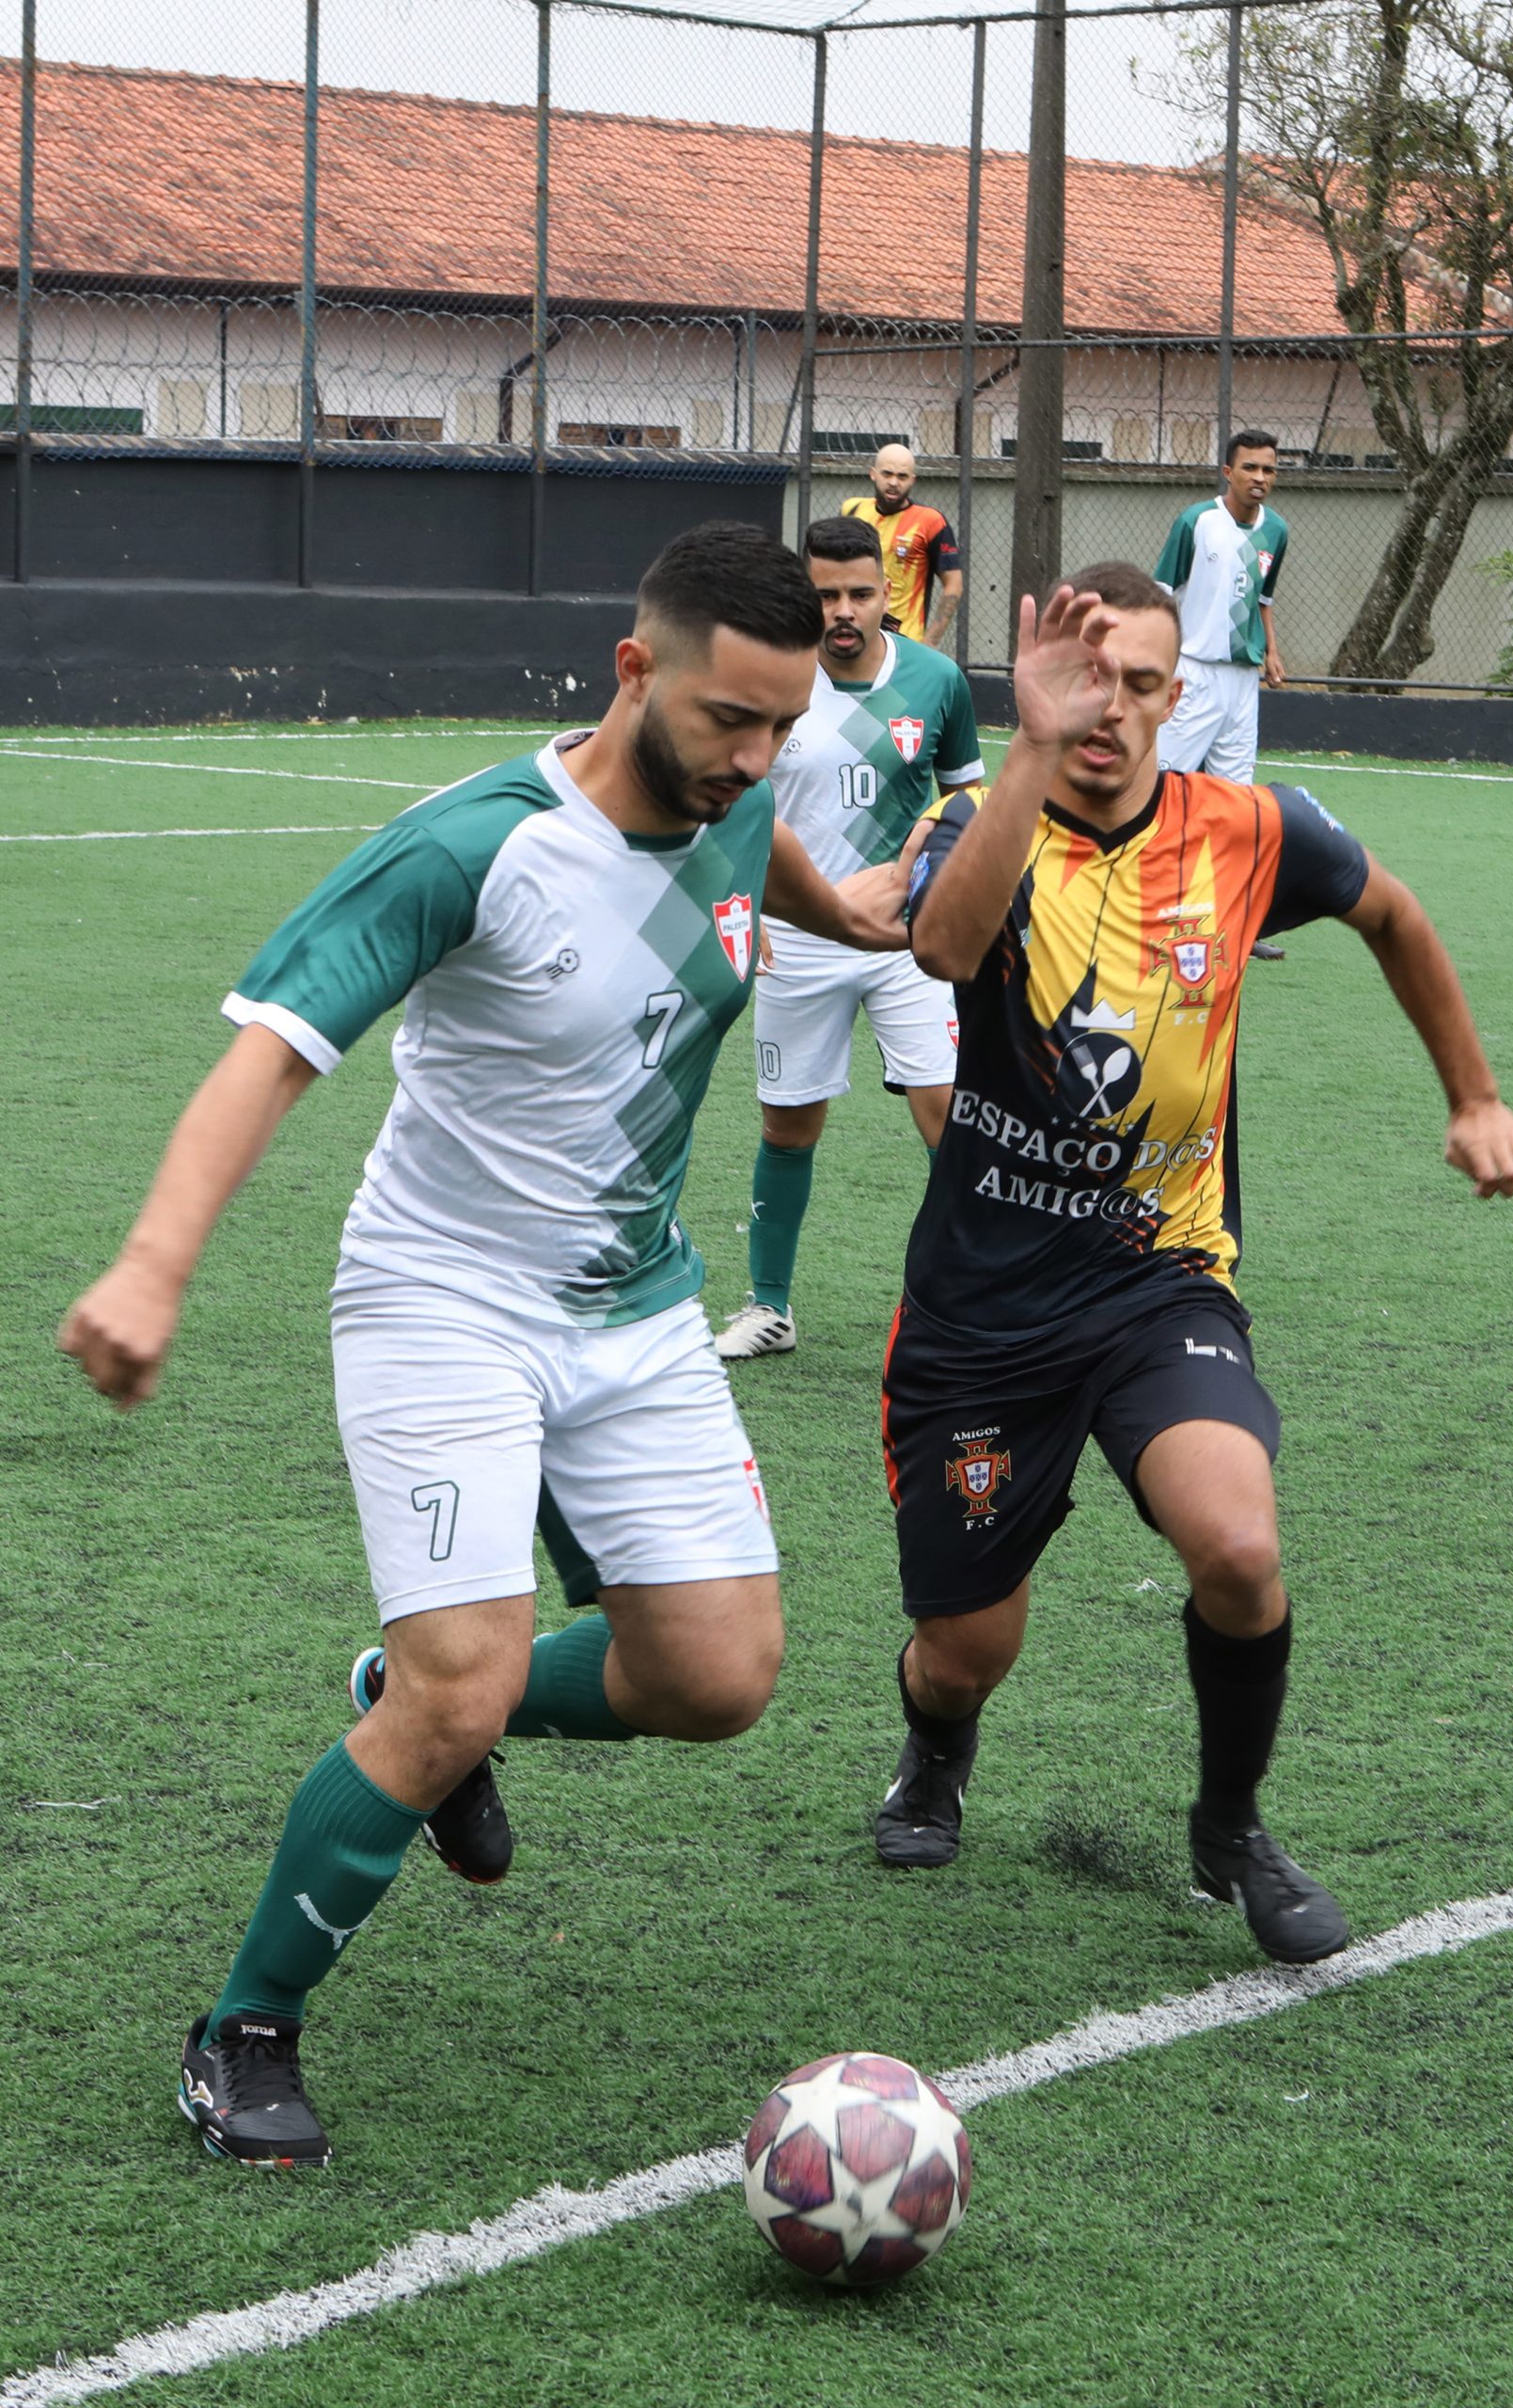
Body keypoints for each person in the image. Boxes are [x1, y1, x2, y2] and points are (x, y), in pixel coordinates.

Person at [58, 520, 910, 2168]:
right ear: (633, 669)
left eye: (781, 729)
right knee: (462, 1683)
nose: (754, 759)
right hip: (441, 1296)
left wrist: (856, 918)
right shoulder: (475, 847)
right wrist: (154, 1269)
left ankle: (429, 1702)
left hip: (637, 1304)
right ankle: (246, 2029)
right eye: (728, 721)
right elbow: (272, 1052)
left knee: (717, 1678)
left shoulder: (745, 809)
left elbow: (755, 871)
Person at [872, 561, 1513, 1967]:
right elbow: (940, 947)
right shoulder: (974, 821)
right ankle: (937, 1748)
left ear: (1179, 697)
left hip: (1157, 1278)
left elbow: (1397, 917)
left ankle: (1229, 1825)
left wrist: (1473, 1096)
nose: (1107, 705)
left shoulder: (1251, 830)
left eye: (1137, 682)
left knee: (1239, 1547)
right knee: (963, 1649)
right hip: (982, 1314)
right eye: (1082, 674)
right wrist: (1029, 749)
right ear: (1039, 678)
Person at [715, 515, 985, 1361]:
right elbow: (730, 806)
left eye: (860, 593)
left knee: (950, 1120)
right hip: (797, 937)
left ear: (886, 594)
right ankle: (770, 1306)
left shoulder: (938, 681)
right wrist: (744, 906)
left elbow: (969, 801)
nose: (843, 609)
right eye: (825, 593)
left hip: (910, 943)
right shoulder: (773, 684)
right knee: (788, 1128)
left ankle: (974, 1301)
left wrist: (946, 881)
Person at [1155, 429, 1287, 784]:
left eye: (1268, 470)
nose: (1260, 477)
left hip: (1244, 681)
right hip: (1193, 674)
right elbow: (1159, 595)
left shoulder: (1276, 530)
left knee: (1235, 798)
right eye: (1250, 467)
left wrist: (1272, 651)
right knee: (1164, 788)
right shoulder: (1196, 522)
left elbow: (1263, 598)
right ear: (1228, 473)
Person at [841, 443, 963, 648]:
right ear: (873, 474)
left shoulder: (930, 522)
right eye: (887, 474)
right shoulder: (853, 510)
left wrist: (930, 641)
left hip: (906, 642)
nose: (894, 482)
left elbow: (954, 584)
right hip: (859, 635)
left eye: (902, 476)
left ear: (912, 480)